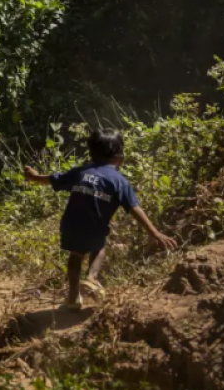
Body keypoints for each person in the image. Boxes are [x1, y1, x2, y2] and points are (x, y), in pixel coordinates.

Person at [23, 128, 177, 311]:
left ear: (92, 154)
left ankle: (73, 298)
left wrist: (33, 177)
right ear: (120, 158)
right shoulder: (119, 181)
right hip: (95, 227)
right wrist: (155, 233)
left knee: (75, 254)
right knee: (99, 247)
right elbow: (134, 208)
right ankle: (92, 279)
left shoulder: (82, 171)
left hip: (70, 225)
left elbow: (53, 179)